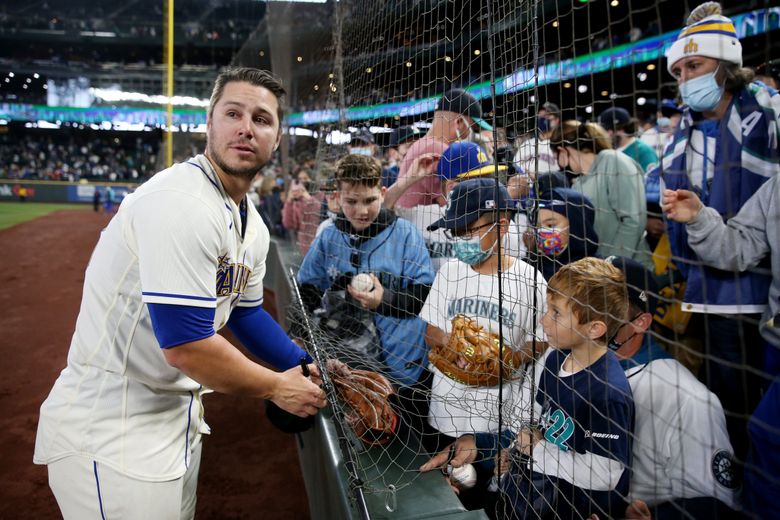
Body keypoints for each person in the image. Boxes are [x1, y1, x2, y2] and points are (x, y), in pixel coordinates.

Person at [33, 67, 327, 519]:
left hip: (174, 420)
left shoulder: (253, 226)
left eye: (262, 119)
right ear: (209, 123)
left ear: (277, 137)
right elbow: (187, 347)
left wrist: (303, 364)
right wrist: (276, 388)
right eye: (234, 113)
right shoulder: (181, 202)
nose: (246, 127)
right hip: (112, 430)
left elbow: (246, 314)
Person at [657, 1, 780, 458]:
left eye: (696, 65)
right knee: (727, 410)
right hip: (708, 289)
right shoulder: (681, 137)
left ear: (725, 64)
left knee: (759, 412)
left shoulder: (769, 116)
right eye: (680, 70)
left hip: (764, 294)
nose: (686, 77)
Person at [421, 257, 634, 520]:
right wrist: (479, 443)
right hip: (523, 497)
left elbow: (605, 473)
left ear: (594, 328)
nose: (544, 321)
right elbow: (525, 425)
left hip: (562, 510)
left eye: (556, 313)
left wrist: (535, 450)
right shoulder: (555, 358)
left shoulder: (608, 391)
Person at [296, 154, 435, 428]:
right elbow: (307, 288)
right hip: (352, 362)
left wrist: (384, 300)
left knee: (410, 432)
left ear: (383, 194)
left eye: (370, 200)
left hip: (404, 362)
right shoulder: (329, 235)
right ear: (337, 197)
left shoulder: (405, 233)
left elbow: (425, 296)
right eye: (351, 201)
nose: (362, 210)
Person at [419, 178, 547, 463]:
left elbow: (542, 340)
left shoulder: (530, 280)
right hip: (445, 412)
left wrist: (510, 357)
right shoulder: (451, 272)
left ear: (500, 226)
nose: (462, 240)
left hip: (496, 419)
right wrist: (462, 347)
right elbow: (431, 332)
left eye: (468, 231)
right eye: (456, 232)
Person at [607, 256, 738, 518]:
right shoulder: (565, 358)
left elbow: (714, 505)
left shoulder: (688, 398)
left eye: (606, 304)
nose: (588, 310)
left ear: (640, 322)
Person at [385, 140, 510, 272]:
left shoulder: (499, 222)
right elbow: (380, 211)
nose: (487, 184)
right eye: (478, 180)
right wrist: (408, 179)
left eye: (488, 177)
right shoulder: (425, 216)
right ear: (452, 187)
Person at [550, 120, 652, 268]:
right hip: (602, 272)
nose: (558, 163)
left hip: (628, 268)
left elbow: (633, 221)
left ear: (563, 150)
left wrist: (609, 266)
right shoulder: (579, 182)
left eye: (556, 156)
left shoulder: (613, 161)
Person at [394, 88, 492, 209]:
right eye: (472, 127)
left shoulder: (422, 144)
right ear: (459, 122)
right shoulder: (437, 149)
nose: (472, 133)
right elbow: (457, 203)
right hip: (421, 224)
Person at [527, 187, 599, 280]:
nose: (542, 231)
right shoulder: (528, 268)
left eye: (550, 225)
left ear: (576, 226)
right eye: (538, 226)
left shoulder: (597, 274)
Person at [598, 107, 659, 174]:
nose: (605, 135)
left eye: (607, 130)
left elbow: (651, 181)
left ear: (621, 129)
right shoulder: (608, 151)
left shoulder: (643, 151)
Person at [282, 167, 324, 256]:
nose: (302, 181)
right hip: (304, 246)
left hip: (320, 242)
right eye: (300, 179)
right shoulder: (297, 200)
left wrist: (308, 197)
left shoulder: (320, 194)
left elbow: (321, 213)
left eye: (305, 178)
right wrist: (289, 201)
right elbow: (288, 224)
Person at [513, 101, 561, 175]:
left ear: (557, 120)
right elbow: (515, 165)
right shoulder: (528, 143)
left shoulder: (560, 144)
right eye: (541, 116)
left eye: (547, 115)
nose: (543, 118)